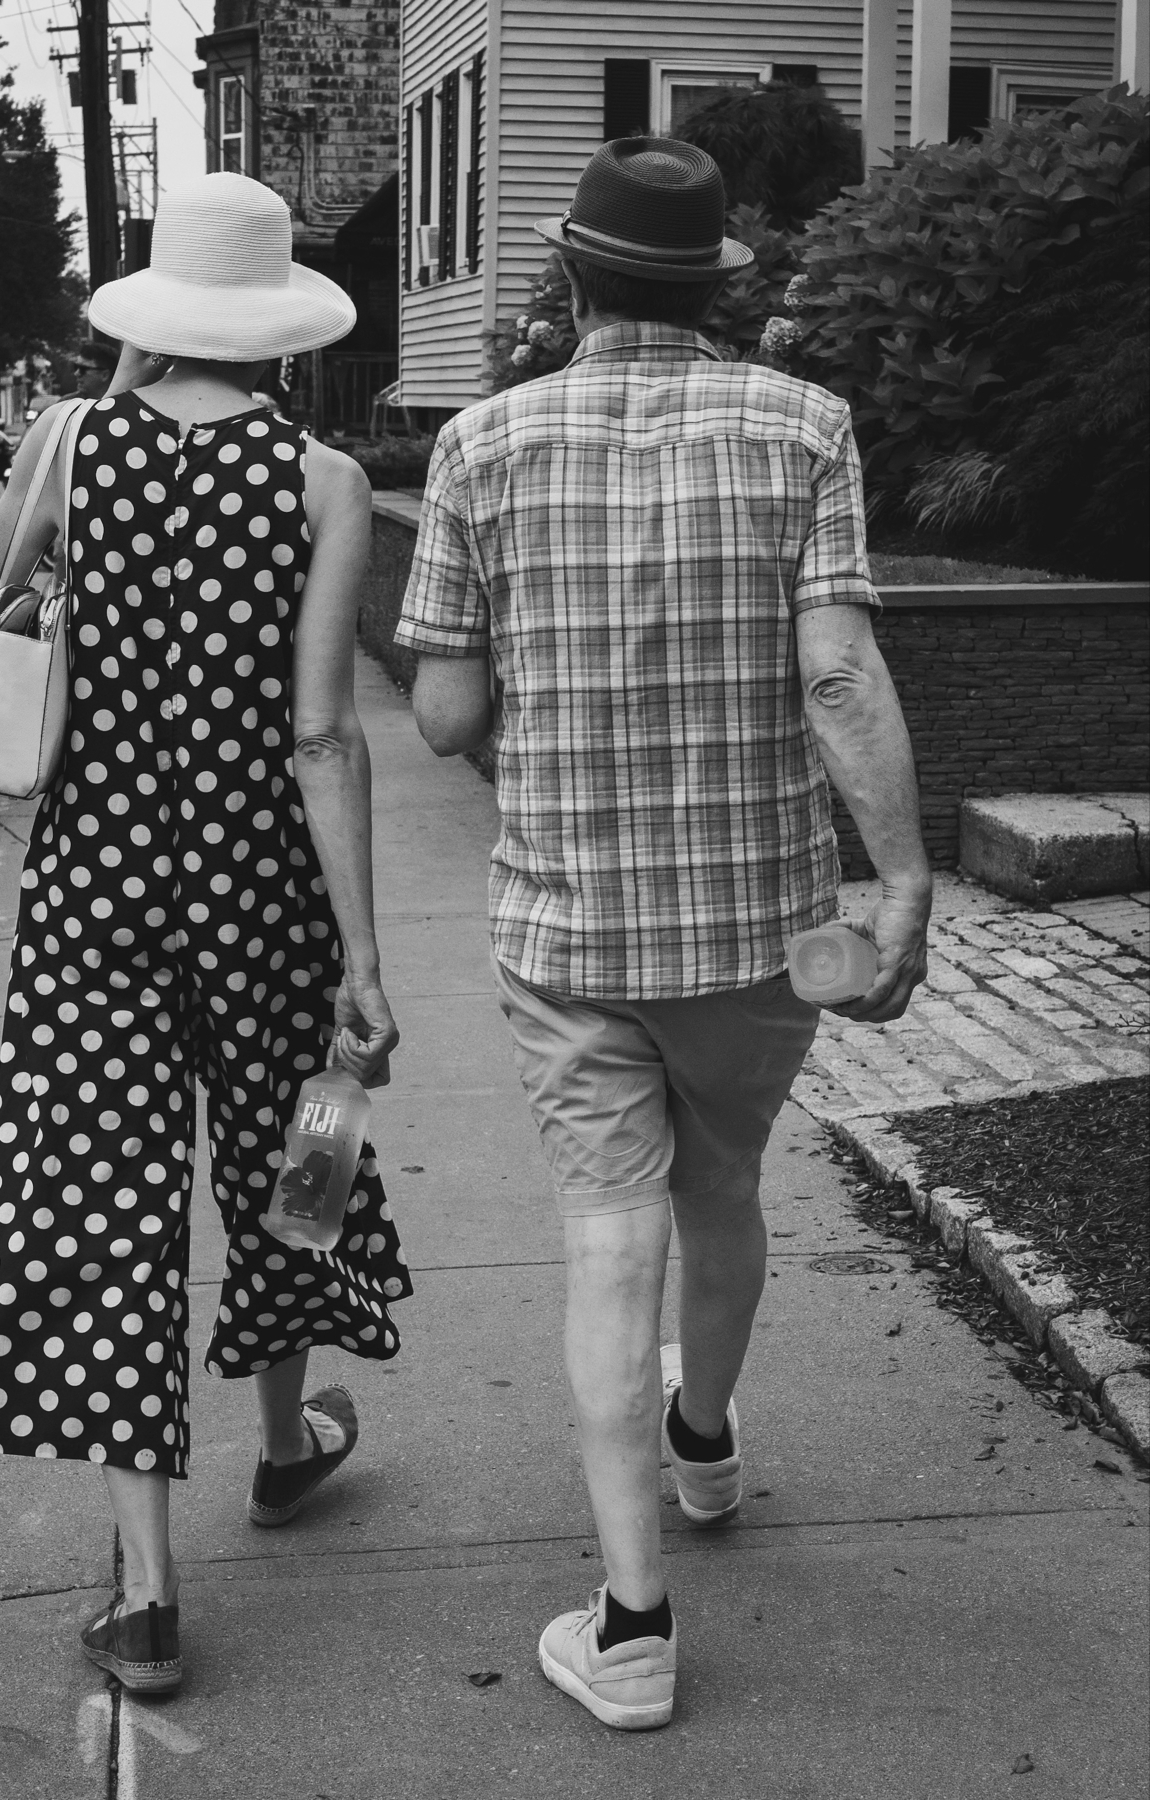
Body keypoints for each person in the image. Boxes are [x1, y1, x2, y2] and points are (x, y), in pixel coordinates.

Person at [395, 139, 930, 1731]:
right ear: (717, 294)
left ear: (571, 280)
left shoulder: (481, 442)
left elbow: (438, 711)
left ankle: (631, 1628)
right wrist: (899, 879)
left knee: (608, 1238)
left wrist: (529, 719)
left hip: (566, 929)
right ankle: (708, 1442)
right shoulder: (805, 425)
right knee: (726, 1187)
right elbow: (836, 672)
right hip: (757, 926)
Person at [0, 172, 408, 1695]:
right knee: (300, 1163)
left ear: (157, 312)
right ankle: (285, 1446)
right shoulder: (325, 478)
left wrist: (100, 406)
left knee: (97, 1200)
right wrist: (362, 957)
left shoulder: (74, 442)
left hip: (94, 893)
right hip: (263, 893)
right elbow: (324, 738)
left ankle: (147, 1598)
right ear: (281, 320)